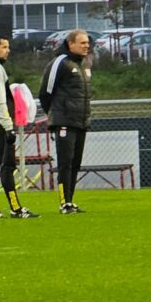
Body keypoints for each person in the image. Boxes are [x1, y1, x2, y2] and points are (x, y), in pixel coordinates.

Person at [0, 34, 39, 219]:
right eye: (4, 47)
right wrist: (8, 126)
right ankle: (16, 208)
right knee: (7, 166)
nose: (8, 50)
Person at [38, 29, 92, 215]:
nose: (87, 46)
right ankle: (64, 202)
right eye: (82, 43)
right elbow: (45, 92)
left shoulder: (83, 64)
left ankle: (70, 200)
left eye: (87, 43)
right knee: (65, 163)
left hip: (81, 121)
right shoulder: (60, 62)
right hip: (64, 121)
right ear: (71, 44)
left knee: (75, 162)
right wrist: (55, 115)